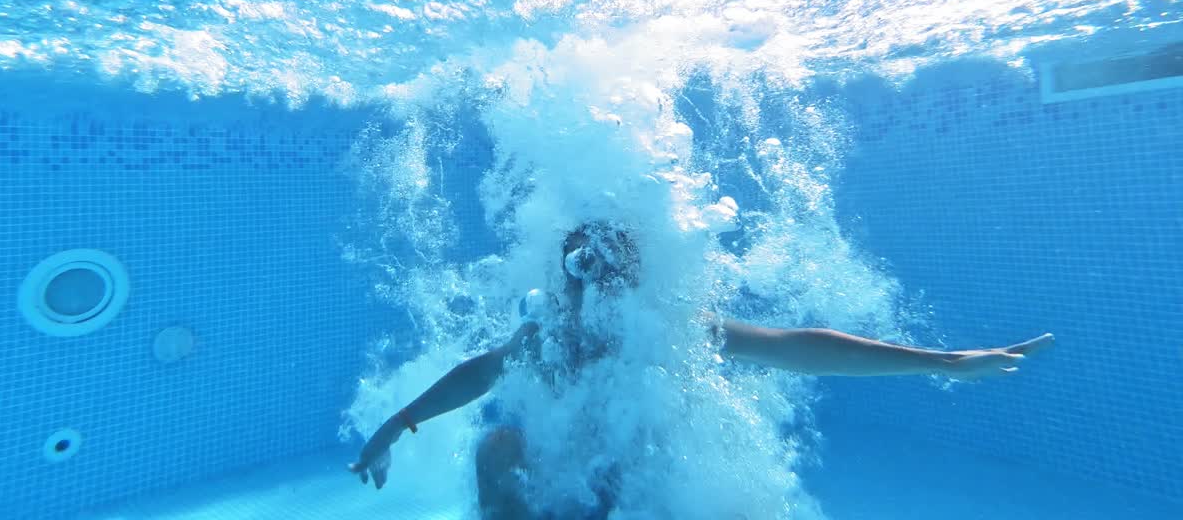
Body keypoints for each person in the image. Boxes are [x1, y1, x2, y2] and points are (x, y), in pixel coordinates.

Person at [348, 221, 1054, 518]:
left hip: (638, 491)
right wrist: (394, 425)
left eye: (610, 274)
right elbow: (478, 373)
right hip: (558, 494)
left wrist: (941, 362)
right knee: (497, 448)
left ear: (633, 282)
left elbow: (797, 345)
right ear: (564, 281)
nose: (592, 291)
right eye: (578, 274)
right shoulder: (548, 337)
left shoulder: (673, 335)